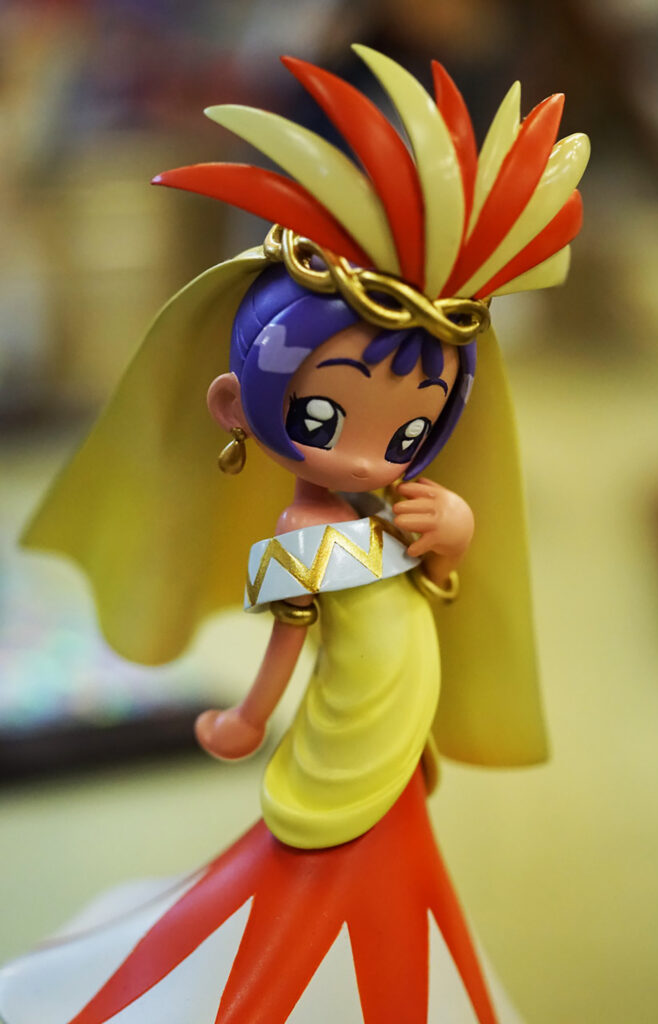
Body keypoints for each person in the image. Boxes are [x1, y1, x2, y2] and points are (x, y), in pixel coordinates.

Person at [0, 46, 589, 1024]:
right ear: (235, 406)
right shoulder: (301, 531)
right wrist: (248, 717)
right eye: (323, 418)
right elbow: (291, 637)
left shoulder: (384, 513)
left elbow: (426, 583)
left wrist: (451, 530)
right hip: (342, 740)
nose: (364, 458)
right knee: (314, 892)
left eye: (408, 434)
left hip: (390, 735)